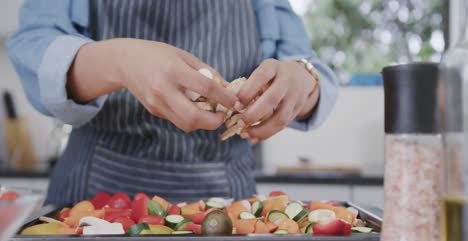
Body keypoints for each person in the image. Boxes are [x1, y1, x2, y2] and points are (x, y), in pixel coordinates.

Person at [7, 0, 339, 204]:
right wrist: (117, 60)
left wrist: (303, 79)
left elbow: (304, 65)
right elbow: (35, 44)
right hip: (93, 197)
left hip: (229, 204)